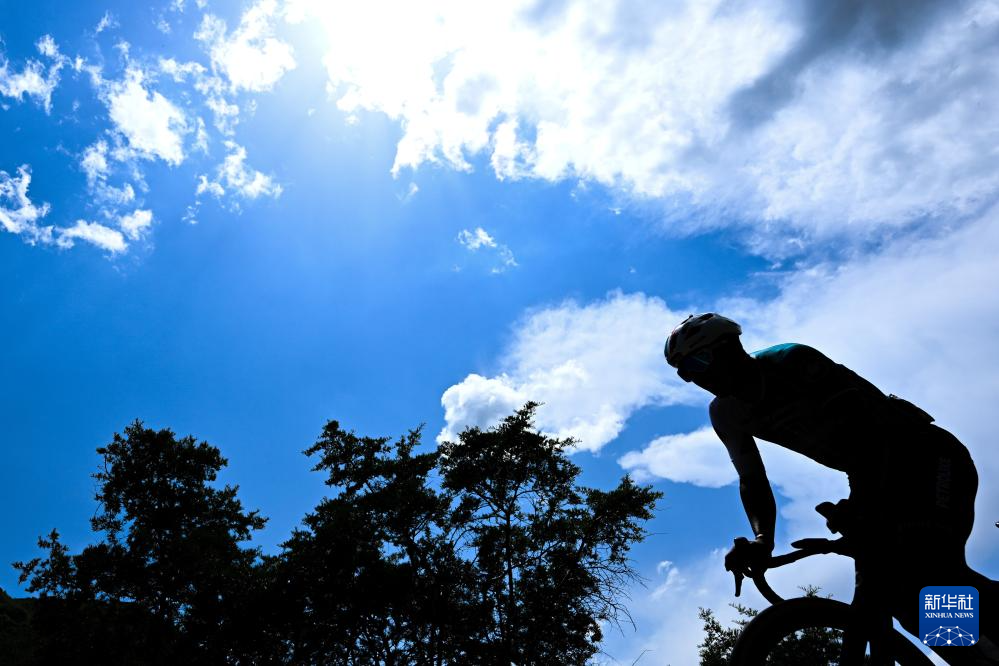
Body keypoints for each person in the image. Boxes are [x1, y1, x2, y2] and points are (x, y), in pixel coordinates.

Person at [664, 313, 998, 664]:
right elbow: (752, 480)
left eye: (699, 362)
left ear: (730, 347)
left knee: (929, 570)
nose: (697, 378)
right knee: (904, 602)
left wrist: (862, 506)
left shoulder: (792, 362)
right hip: (872, 474)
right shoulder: (726, 413)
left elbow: (871, 432)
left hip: (926, 456)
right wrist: (763, 540)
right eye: (685, 372)